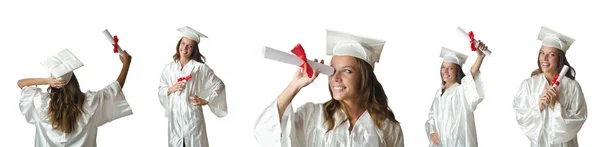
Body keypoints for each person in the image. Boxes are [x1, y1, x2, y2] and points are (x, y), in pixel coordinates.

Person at [254, 29, 404, 147]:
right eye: (332, 70)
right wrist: (295, 86)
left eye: (347, 71)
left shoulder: (388, 128)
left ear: (364, 77)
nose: (335, 78)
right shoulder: (313, 116)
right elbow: (266, 132)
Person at [17, 49, 133, 147]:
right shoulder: (90, 103)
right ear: (74, 83)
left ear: (53, 85)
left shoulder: (41, 103)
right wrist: (126, 64)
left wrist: (46, 81)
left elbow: (21, 83)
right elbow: (115, 89)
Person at [513, 26, 587, 147]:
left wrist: (555, 105)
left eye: (551, 54)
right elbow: (522, 117)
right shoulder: (529, 85)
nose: (544, 58)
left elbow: (579, 118)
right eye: (542, 53)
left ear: (560, 59)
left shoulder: (572, 86)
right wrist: (539, 106)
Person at [158, 26, 228, 147]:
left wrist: (206, 101)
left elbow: (219, 85)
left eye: (189, 46)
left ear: (194, 49)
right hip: (175, 121)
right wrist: (171, 89)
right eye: (183, 43)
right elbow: (161, 89)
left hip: (193, 121)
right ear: (179, 44)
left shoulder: (200, 68)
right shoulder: (169, 68)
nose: (184, 48)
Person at [425, 44, 488, 147]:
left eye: (450, 68)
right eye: (443, 67)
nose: (445, 71)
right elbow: (432, 116)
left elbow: (471, 75)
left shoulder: (460, 91)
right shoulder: (438, 93)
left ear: (457, 71)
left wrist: (480, 57)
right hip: (440, 143)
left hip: (458, 143)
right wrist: (432, 131)